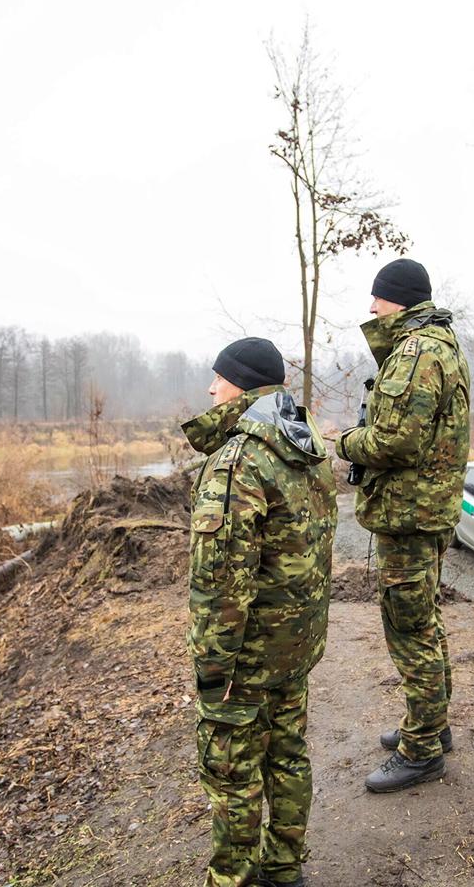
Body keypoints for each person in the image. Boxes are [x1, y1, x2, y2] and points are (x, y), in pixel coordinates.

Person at [181, 337, 337, 887]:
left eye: (218, 378)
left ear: (241, 384)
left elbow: (221, 583)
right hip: (294, 647)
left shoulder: (238, 460)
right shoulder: (306, 444)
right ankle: (284, 869)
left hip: (245, 660)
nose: (210, 388)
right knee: (289, 754)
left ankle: (235, 880)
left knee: (232, 776)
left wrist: (213, 668)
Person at [335, 258, 471, 793]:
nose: (371, 309)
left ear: (400, 300)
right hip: (423, 512)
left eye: (378, 299)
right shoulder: (439, 345)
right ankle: (432, 727)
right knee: (425, 621)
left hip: (410, 518)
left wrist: (343, 443)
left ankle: (421, 752)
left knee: (409, 630)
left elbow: (394, 441)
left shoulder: (416, 353)